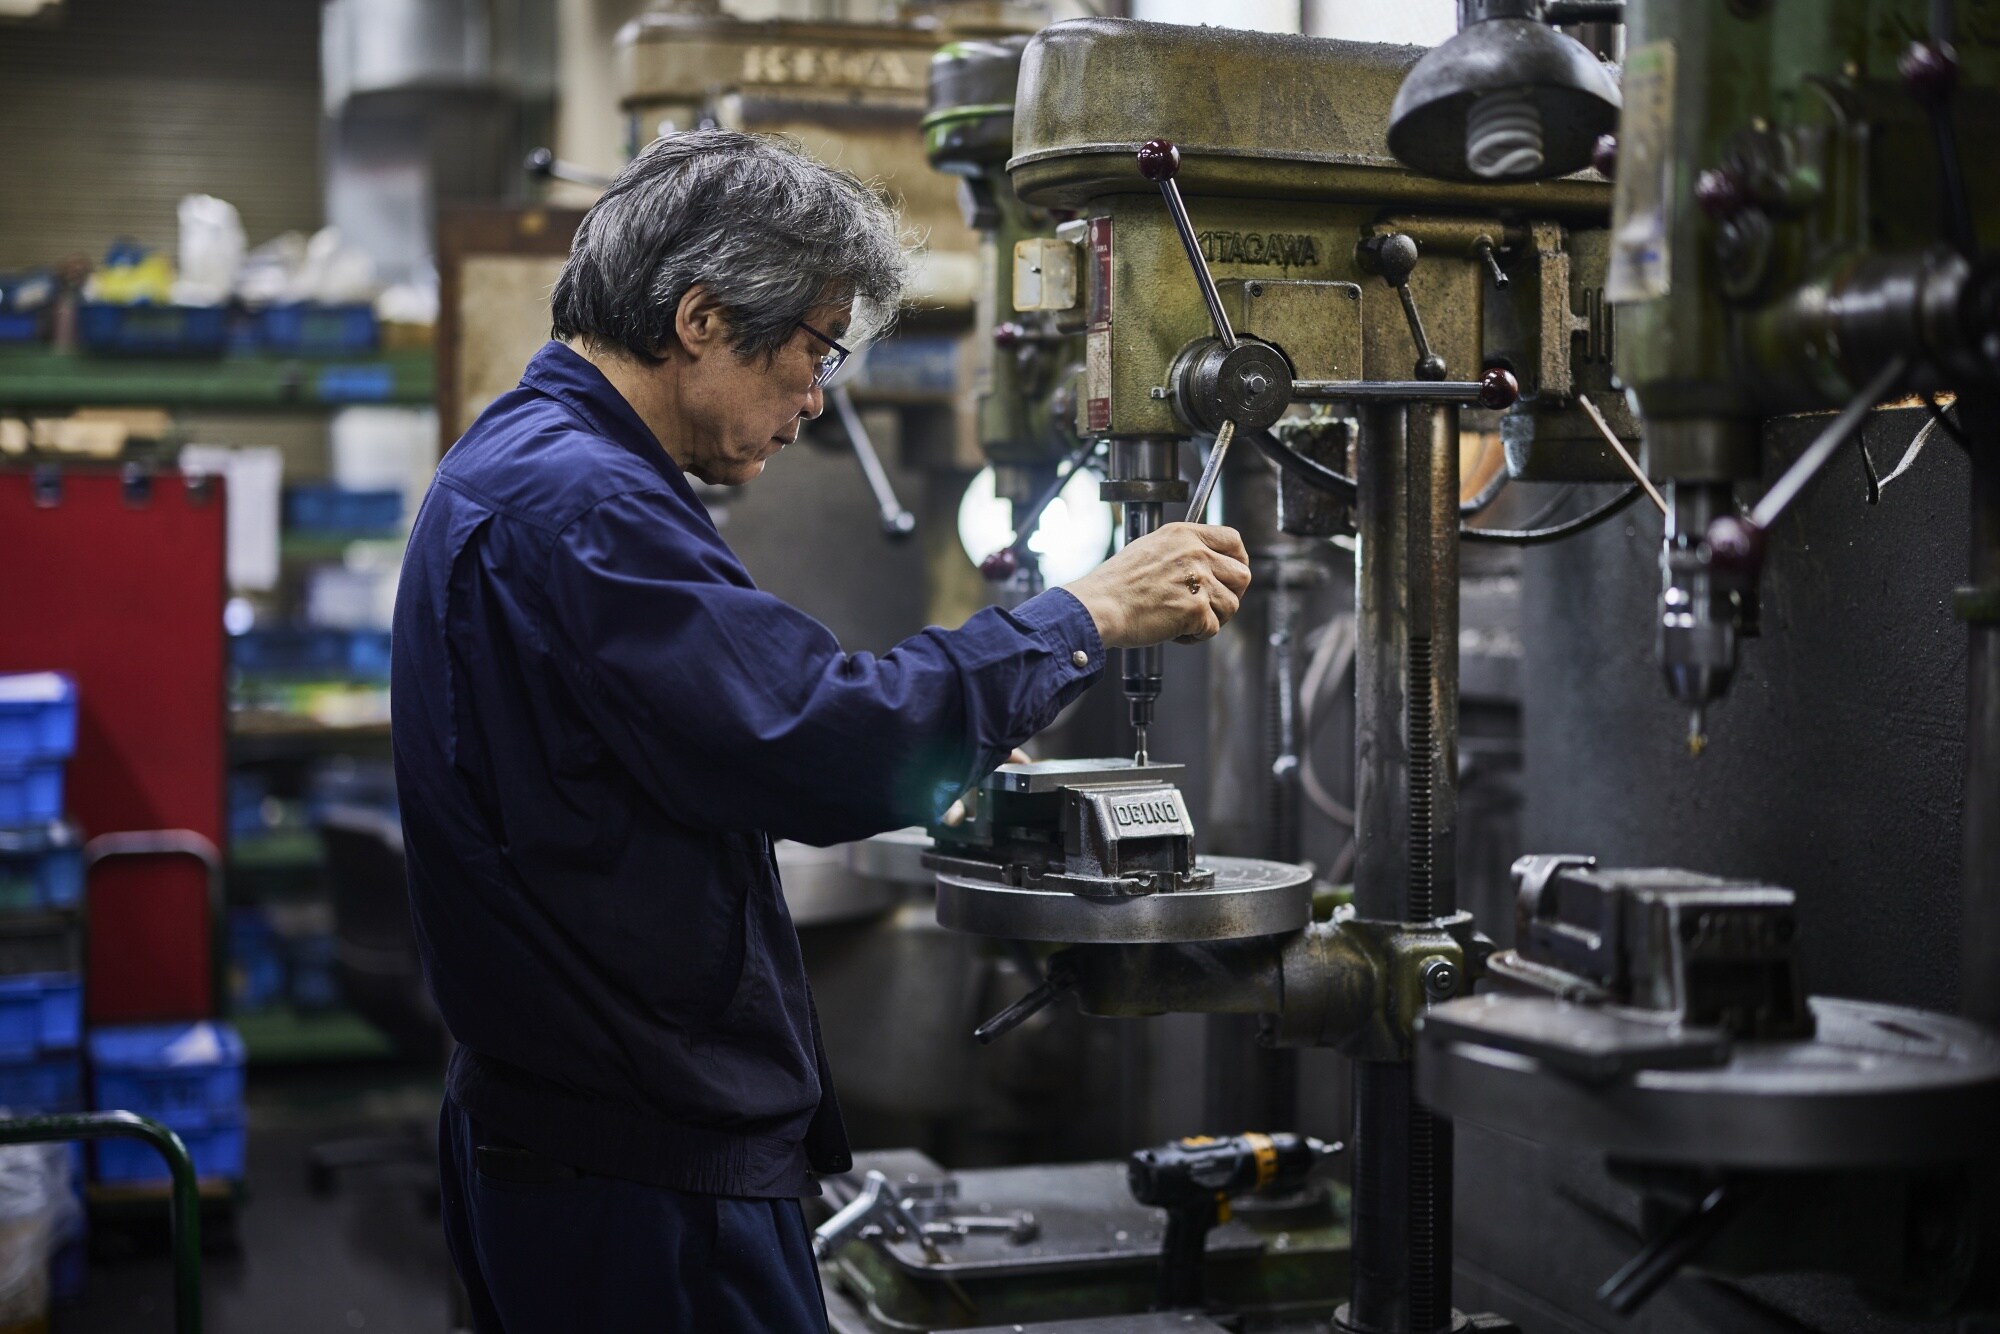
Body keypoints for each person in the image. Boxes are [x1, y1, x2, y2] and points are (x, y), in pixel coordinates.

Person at [391, 128, 1251, 1333]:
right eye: (810, 353)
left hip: (570, 1128)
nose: (809, 403)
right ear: (699, 317)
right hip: (637, 1170)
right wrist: (1086, 612)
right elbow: (821, 738)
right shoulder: (582, 505)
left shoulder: (523, 461)